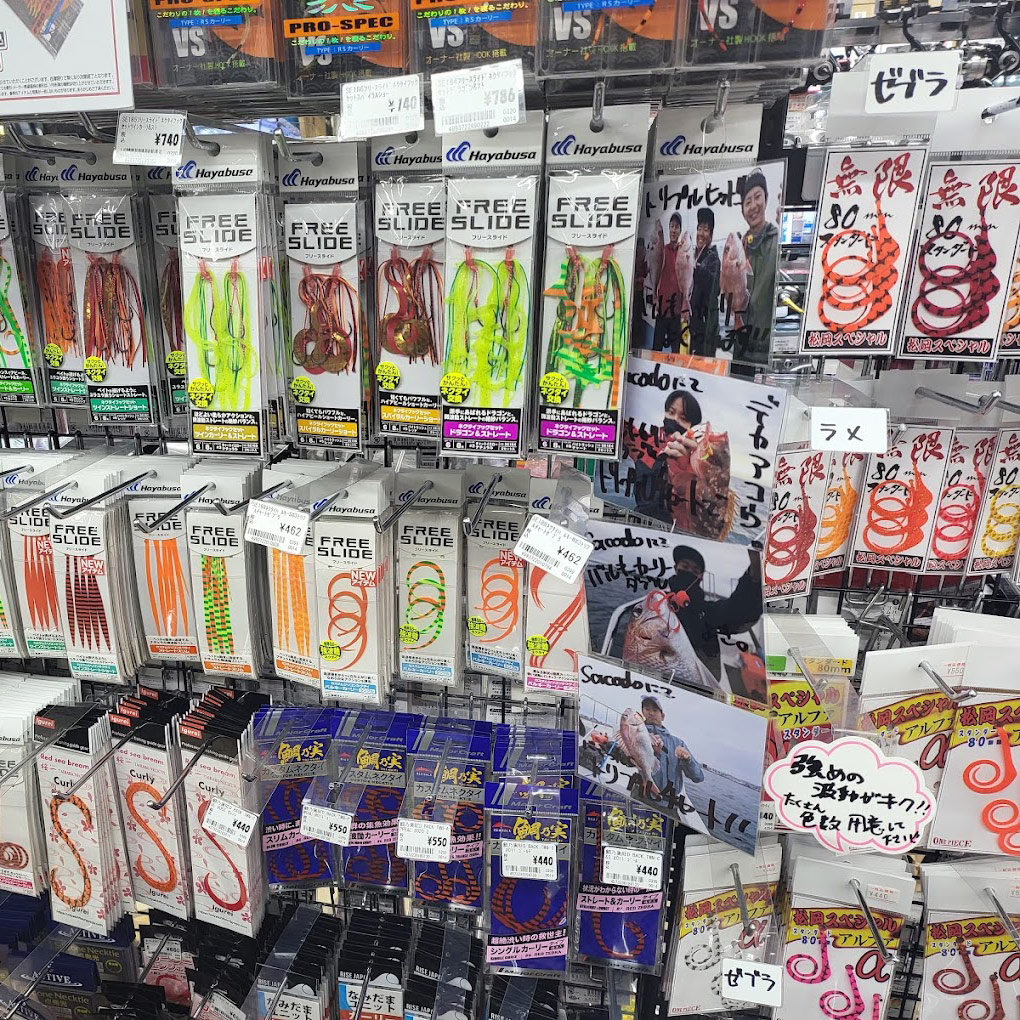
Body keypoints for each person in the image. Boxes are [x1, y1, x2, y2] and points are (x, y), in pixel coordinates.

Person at [666, 544, 762, 676]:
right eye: (685, 566)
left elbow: (738, 610)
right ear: (675, 568)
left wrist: (753, 577)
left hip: (695, 680)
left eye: (695, 570)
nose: (689, 572)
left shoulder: (706, 612)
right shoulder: (656, 603)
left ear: (701, 576)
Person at [631, 389, 703, 522]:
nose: (675, 419)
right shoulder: (644, 441)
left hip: (676, 528)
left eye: (683, 418)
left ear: (692, 426)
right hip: (638, 520)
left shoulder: (697, 457)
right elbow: (611, 427)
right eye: (671, 412)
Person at [739, 169, 779, 365]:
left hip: (766, 352)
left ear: (766, 199)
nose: (753, 205)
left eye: (757, 197)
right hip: (739, 348)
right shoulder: (740, 246)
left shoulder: (778, 241)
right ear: (742, 211)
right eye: (747, 202)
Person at [640, 694, 704, 797]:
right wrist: (652, 753)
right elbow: (626, 760)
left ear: (662, 716)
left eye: (655, 710)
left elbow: (698, 777)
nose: (651, 713)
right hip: (641, 795)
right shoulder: (636, 736)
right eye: (647, 709)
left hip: (670, 802)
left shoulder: (678, 743)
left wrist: (688, 760)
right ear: (642, 712)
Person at [652, 213, 690, 352]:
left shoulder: (683, 252)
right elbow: (654, 267)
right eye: (672, 226)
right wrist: (654, 295)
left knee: (676, 353)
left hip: (676, 312)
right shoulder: (662, 250)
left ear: (680, 230)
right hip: (662, 310)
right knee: (656, 350)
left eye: (677, 227)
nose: (674, 230)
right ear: (669, 229)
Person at [689, 207, 721, 358]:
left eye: (706, 230)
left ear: (711, 234)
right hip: (691, 325)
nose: (701, 233)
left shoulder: (714, 259)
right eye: (699, 228)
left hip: (706, 329)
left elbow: (713, 286)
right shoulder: (692, 255)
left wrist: (696, 268)